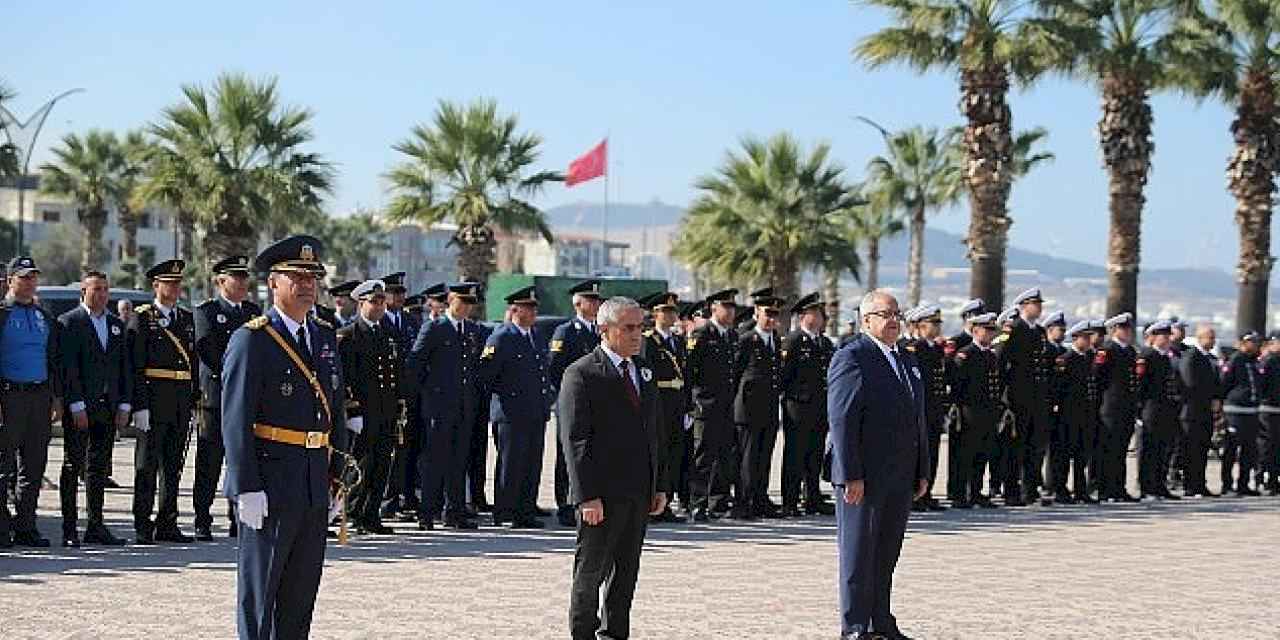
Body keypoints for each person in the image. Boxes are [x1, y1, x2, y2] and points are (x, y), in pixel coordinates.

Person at [222, 235, 348, 640]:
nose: (307, 283)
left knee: (300, 596)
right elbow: (235, 419)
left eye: (313, 275)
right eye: (297, 275)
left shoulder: (325, 336)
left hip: (313, 480)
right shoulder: (253, 339)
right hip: (271, 482)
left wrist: (336, 478)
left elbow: (335, 411)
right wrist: (246, 487)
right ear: (273, 282)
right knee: (261, 595)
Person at [558, 296, 667, 640]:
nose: (638, 335)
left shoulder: (644, 372)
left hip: (637, 493)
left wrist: (658, 485)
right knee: (591, 573)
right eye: (629, 328)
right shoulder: (582, 373)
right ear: (604, 330)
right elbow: (575, 441)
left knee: (625, 575)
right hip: (601, 496)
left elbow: (655, 434)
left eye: (641, 327)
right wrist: (586, 496)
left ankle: (615, 634)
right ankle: (583, 634)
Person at [828, 290, 929, 640]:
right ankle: (855, 627)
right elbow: (842, 420)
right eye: (884, 314)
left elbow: (918, 419)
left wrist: (921, 469)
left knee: (886, 553)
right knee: (858, 554)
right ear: (865, 320)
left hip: (899, 475)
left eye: (896, 314)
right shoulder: (852, 356)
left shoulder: (906, 360)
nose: (892, 321)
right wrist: (849, 474)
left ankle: (881, 622)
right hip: (864, 477)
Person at [58, 270, 132, 547]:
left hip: (107, 406)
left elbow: (123, 366)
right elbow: (68, 368)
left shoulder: (115, 324)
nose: (101, 294)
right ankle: (68, 528)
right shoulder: (69, 322)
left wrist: (124, 403)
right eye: (95, 289)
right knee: (72, 463)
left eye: (104, 289)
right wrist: (75, 404)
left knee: (98, 468)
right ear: (83, 292)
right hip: (80, 406)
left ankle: (96, 524)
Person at [192, 256, 262, 541]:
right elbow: (206, 349)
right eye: (237, 277)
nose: (243, 283)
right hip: (217, 398)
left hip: (247, 400)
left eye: (245, 277)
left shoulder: (253, 312)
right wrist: (236, 375)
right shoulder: (207, 312)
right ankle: (202, 517)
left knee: (241, 459)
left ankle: (237, 517)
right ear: (221, 281)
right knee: (210, 460)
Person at [130, 259, 199, 544]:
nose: (174, 287)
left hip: (180, 401)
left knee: (173, 466)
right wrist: (140, 406)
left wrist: (193, 400)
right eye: (168, 283)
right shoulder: (143, 318)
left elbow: (192, 363)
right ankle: (142, 523)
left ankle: (167, 521)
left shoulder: (185, 319)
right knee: (147, 465)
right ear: (155, 286)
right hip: (154, 400)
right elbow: (135, 365)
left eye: (177, 283)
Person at [410, 282, 484, 531]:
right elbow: (416, 363)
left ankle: (455, 511)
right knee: (434, 460)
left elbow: (473, 368)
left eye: (470, 304)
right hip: (438, 406)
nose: (466, 308)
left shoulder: (471, 330)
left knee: (459, 460)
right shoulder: (434, 327)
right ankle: (427, 512)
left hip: (463, 406)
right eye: (462, 302)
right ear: (450, 300)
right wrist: (426, 397)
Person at [0, 257, 63, 548]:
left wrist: (55, 398)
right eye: (23, 277)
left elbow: (53, 360)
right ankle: (2, 526)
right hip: (9, 396)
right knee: (3, 465)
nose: (29, 282)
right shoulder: (2, 313)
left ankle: (26, 525)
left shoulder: (43, 315)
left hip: (39, 397)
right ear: (11, 280)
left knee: (34, 465)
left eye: (33, 277)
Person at [479, 285, 552, 528]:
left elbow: (543, 374)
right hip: (510, 413)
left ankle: (525, 510)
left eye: (534, 308)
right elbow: (487, 376)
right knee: (511, 465)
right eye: (527, 308)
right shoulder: (502, 337)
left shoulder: (537, 336)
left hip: (535, 411)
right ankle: (505, 511)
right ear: (514, 309)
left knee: (532, 463)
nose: (532, 313)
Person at [336, 279, 404, 535]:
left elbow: (395, 376)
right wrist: (352, 410)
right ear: (361, 303)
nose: (379, 307)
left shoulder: (387, 335)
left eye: (382, 302)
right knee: (361, 464)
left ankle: (371, 513)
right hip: (363, 412)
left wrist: (398, 408)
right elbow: (345, 378)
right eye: (374, 302)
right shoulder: (349, 335)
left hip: (384, 412)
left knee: (382, 464)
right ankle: (353, 511)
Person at [550, 279, 604, 527]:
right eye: (590, 300)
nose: (595, 305)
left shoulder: (600, 332)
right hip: (572, 402)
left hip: (597, 402)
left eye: (597, 301)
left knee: (593, 451)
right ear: (578, 304)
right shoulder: (566, 332)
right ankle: (565, 504)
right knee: (568, 453)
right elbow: (554, 369)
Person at [685, 289, 740, 522]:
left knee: (724, 455)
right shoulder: (701, 334)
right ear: (713, 308)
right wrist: (691, 403)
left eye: (732, 307)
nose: (730, 311)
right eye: (725, 307)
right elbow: (689, 371)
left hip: (727, 405)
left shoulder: (731, 336)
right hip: (706, 405)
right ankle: (697, 502)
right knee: (704, 456)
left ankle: (717, 500)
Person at [780, 292, 836, 516]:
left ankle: (812, 497)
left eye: (822, 314)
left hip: (819, 407)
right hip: (798, 407)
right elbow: (783, 376)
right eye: (816, 313)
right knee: (795, 454)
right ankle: (790, 501)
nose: (821, 318)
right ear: (804, 316)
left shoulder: (824, 343)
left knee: (815, 453)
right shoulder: (793, 340)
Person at [731, 288, 785, 520]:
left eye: (775, 314)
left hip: (769, 407)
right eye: (767, 313)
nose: (772, 319)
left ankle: (761, 498)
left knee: (765, 456)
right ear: (756, 312)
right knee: (748, 458)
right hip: (748, 409)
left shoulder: (774, 339)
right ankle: (745, 501)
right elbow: (735, 373)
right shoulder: (746, 339)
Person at [638, 291, 689, 522]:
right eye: (666, 311)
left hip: (677, 404)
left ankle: (666, 502)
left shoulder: (677, 341)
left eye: (673, 312)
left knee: (674, 454)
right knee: (657, 454)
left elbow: (685, 376)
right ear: (655, 313)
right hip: (659, 403)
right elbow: (646, 376)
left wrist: (687, 407)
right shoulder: (649, 341)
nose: (671, 316)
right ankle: (652, 504)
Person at [379, 271, 422, 520]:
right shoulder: (378, 321)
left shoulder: (411, 322)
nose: (399, 297)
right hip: (386, 397)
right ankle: (387, 499)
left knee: (408, 449)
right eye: (394, 292)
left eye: (402, 292)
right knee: (387, 450)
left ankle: (405, 496)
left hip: (409, 396)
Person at [950, 312, 1003, 509]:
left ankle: (976, 491)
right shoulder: (966, 354)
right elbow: (958, 384)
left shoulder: (990, 355)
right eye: (987, 330)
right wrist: (958, 409)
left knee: (983, 453)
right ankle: (959, 494)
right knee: (966, 454)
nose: (990, 334)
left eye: (992, 331)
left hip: (987, 412)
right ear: (975, 331)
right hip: (970, 411)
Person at [903, 305, 949, 512]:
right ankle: (914, 495)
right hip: (921, 409)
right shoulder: (916, 349)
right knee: (918, 453)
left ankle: (927, 493)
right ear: (921, 326)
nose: (937, 327)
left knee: (932, 451)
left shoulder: (935, 348)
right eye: (933, 324)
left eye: (938, 324)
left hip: (935, 409)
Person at [1094, 313, 1142, 503]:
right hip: (1110, 407)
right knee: (1109, 449)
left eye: (1129, 329)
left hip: (1126, 408)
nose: (1128, 332)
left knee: (1121, 450)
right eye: (1124, 328)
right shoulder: (1107, 350)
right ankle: (1106, 489)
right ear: (1115, 330)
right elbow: (1098, 377)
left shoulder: (1130, 352)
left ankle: (1119, 487)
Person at [1051, 321, 1099, 504]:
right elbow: (1058, 388)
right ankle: (1060, 490)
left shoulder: (1090, 358)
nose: (1088, 341)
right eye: (1084, 337)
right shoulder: (1066, 359)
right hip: (1068, 415)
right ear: (1075, 338)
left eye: (1089, 337)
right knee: (1064, 455)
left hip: (1086, 414)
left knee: (1082, 455)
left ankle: (1081, 490)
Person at [1137, 321, 1182, 500]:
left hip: (1166, 409)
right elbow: (1140, 385)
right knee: (1149, 449)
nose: (1167, 339)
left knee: (1163, 449)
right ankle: (1147, 486)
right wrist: (1139, 411)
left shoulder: (1166, 357)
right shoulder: (1147, 356)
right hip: (1151, 408)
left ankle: (1159, 484)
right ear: (1153, 337)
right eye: (1163, 335)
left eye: (1168, 335)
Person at [1179, 324, 1222, 498]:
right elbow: (1190, 383)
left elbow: (1215, 383)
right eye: (1209, 337)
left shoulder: (1209, 358)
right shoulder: (1191, 356)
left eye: (1213, 338)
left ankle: (1200, 483)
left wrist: (1216, 399)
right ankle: (1190, 484)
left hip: (1205, 411)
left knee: (1203, 448)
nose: (1212, 341)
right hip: (1191, 411)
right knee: (1191, 449)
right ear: (1200, 338)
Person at [1220, 332, 1263, 496]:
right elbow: (1225, 382)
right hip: (1235, 411)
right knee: (1231, 448)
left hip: (1251, 411)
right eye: (1251, 342)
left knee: (1249, 449)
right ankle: (1227, 484)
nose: (1255, 345)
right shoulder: (1236, 359)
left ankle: (1243, 483)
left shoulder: (1253, 362)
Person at [1257, 333, 1280, 495]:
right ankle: (1262, 478)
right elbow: (1260, 385)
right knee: (1267, 447)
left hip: (1277, 409)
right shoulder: (1268, 361)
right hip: (1268, 409)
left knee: (1276, 448)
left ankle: (1274, 479)